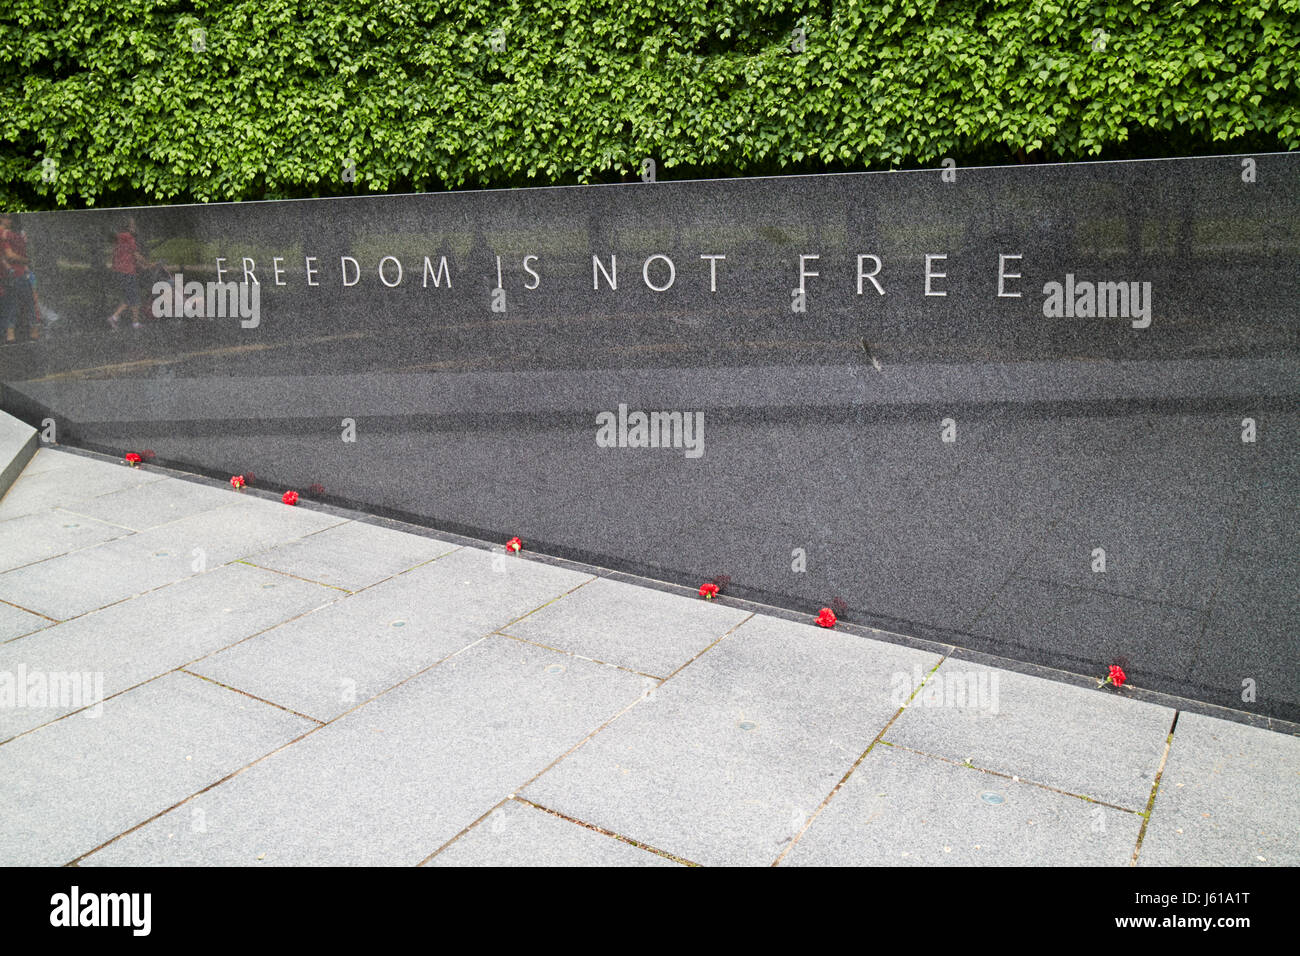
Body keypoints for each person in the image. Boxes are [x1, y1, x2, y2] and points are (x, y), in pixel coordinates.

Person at [109, 217, 152, 330]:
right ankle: (114, 317)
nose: (135, 227)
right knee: (133, 298)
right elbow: (136, 255)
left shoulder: (119, 238)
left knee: (132, 297)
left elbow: (127, 255)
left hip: (119, 271)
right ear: (128, 227)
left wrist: (141, 266)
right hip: (127, 271)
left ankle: (134, 322)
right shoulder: (129, 238)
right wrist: (148, 264)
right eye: (133, 225)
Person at [1, 213, 38, 343]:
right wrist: (26, 261)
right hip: (17, 273)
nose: (8, 220)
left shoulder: (10, 234)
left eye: (10, 217)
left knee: (14, 304)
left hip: (12, 273)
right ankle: (33, 332)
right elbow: (10, 255)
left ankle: (10, 335)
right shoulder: (7, 235)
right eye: (5, 217)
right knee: (27, 303)